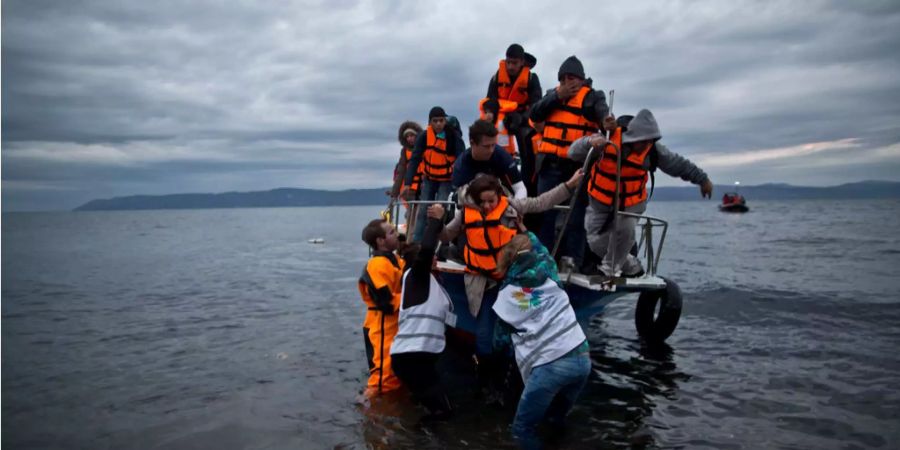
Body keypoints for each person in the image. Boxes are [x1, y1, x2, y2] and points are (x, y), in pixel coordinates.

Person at [439, 171, 583, 387]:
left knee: (514, 334)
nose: (487, 206)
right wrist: (436, 220)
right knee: (484, 336)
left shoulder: (512, 207)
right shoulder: (464, 213)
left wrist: (570, 184)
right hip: (482, 281)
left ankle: (510, 380)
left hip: (511, 281)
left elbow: (543, 202)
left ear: (499, 196)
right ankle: (486, 380)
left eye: (491, 201)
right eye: (482, 202)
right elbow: (445, 236)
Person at [569, 109, 713, 277]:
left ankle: (608, 270)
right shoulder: (607, 140)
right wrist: (589, 142)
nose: (645, 145)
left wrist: (703, 180)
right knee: (595, 241)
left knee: (626, 230)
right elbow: (573, 152)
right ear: (632, 138)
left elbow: (679, 165)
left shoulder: (654, 151)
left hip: (632, 203)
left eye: (649, 141)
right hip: (600, 200)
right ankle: (632, 266)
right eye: (641, 141)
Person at [493, 233, 590, 450]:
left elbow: (499, 342)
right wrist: (523, 228)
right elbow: (542, 248)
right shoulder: (549, 270)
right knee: (555, 419)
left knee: (522, 429)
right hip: (582, 358)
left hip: (550, 365)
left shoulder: (506, 295)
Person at [529, 55, 611, 269]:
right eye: (564, 78)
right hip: (549, 165)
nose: (568, 82)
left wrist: (606, 121)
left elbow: (602, 113)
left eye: (573, 77)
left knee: (576, 216)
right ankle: (542, 257)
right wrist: (557, 96)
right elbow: (535, 113)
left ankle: (573, 259)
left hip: (578, 166)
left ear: (582, 79)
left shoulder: (593, 97)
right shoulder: (551, 96)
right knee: (544, 213)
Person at [391, 203, 457, 420]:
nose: (436, 259)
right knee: (443, 412)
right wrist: (436, 221)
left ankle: (411, 436)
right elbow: (428, 249)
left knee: (428, 405)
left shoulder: (428, 283)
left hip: (418, 358)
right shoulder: (415, 276)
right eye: (432, 258)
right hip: (412, 359)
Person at [402, 106, 465, 241]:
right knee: (423, 211)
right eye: (435, 121)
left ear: (445, 121)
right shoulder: (424, 137)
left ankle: (438, 243)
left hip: (446, 180)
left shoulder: (453, 136)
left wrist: (460, 182)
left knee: (439, 211)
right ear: (430, 122)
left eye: (441, 121)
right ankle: (417, 243)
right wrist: (407, 183)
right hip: (429, 178)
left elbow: (461, 159)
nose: (438, 124)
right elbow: (414, 160)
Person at [357, 219, 405, 396]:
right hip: (382, 325)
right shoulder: (377, 265)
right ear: (380, 241)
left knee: (393, 371)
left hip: (393, 323)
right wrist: (413, 298)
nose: (397, 235)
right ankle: (370, 411)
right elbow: (385, 303)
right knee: (382, 377)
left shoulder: (395, 260)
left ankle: (388, 408)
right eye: (392, 232)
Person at [486, 43, 543, 158]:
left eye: (514, 63)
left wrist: (521, 118)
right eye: (508, 62)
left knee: (528, 146)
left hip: (524, 119)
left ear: (522, 62)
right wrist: (490, 114)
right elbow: (490, 100)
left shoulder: (531, 79)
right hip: (503, 119)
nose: (511, 66)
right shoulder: (497, 77)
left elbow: (536, 106)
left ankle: (528, 169)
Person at [452, 119, 527, 198]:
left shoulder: (501, 155)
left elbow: (520, 188)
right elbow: (460, 199)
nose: (491, 150)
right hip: (474, 202)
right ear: (472, 143)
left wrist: (513, 208)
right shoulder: (461, 166)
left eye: (493, 145)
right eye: (486, 146)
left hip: (504, 200)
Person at [390, 121, 424, 202]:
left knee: (423, 211)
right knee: (410, 212)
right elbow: (400, 173)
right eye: (407, 136)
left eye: (412, 135)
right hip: (410, 189)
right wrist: (394, 193)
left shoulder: (425, 147)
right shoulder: (404, 152)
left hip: (425, 186)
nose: (409, 138)